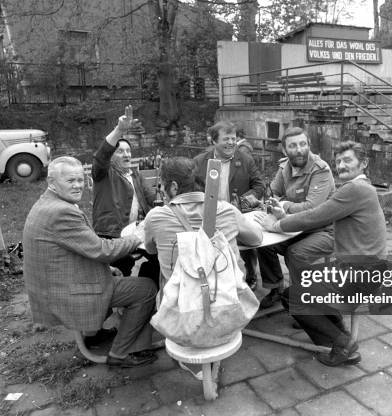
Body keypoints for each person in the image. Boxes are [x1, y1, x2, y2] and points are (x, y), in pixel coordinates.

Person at [259, 141, 387, 367]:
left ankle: (342, 343)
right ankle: (342, 341)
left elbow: (314, 217)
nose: (341, 165)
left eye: (347, 160)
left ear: (363, 163)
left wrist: (276, 226)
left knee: (292, 296)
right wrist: (284, 214)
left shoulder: (354, 189)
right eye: (338, 161)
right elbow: (319, 211)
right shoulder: (362, 188)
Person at [23, 156, 158, 368]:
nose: (78, 185)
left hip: (55, 286)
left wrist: (107, 267)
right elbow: (103, 250)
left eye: (80, 179)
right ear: (52, 182)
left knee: (119, 269)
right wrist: (138, 237)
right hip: (68, 293)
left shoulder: (47, 203)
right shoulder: (62, 212)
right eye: (70, 181)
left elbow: (76, 250)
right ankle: (120, 354)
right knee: (147, 288)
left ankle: (95, 333)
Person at [144, 157, 263, 287]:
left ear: (173, 187)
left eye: (161, 185)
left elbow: (151, 250)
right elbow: (256, 239)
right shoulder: (227, 210)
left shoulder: (155, 217)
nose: (161, 191)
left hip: (181, 303)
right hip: (227, 298)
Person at [257, 127, 336, 309]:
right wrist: (273, 204)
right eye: (293, 146)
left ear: (308, 145)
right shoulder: (284, 167)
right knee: (260, 241)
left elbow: (311, 209)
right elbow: (273, 194)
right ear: (285, 150)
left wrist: (284, 205)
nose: (299, 149)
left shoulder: (320, 170)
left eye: (302, 144)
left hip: (323, 229)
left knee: (296, 253)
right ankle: (276, 287)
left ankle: (304, 301)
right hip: (294, 225)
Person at [193, 121, 265, 288]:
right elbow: (192, 189)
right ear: (213, 141)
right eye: (226, 139)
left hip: (237, 215)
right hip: (209, 216)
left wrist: (244, 201)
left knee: (247, 247)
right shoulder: (199, 162)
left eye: (233, 139)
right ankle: (212, 280)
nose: (231, 143)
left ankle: (250, 274)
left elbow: (259, 185)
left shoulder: (245, 159)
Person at [92, 113, 157, 279]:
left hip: (138, 232)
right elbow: (101, 157)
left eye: (128, 151)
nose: (127, 155)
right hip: (112, 235)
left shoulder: (136, 175)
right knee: (117, 274)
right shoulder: (104, 174)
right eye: (120, 151)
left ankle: (150, 296)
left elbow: (152, 199)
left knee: (158, 261)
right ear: (111, 156)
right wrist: (119, 130)